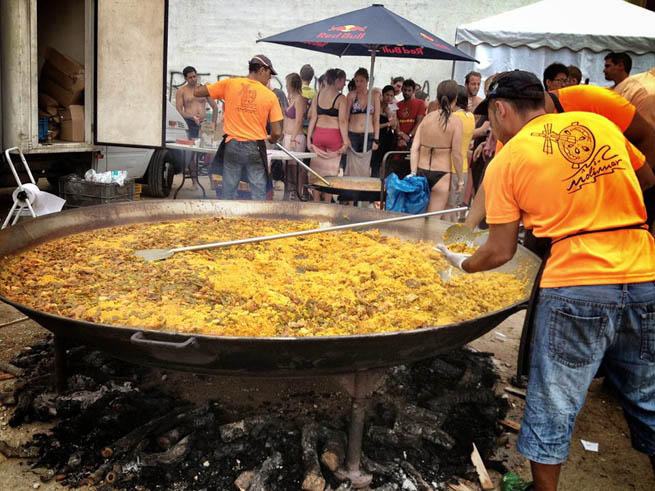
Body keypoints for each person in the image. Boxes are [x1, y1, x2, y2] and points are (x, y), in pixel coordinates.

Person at [439, 69, 655, 491]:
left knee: (553, 403)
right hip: (646, 273)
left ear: (500, 110)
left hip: (577, 284)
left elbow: (500, 250)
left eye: (492, 117)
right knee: (649, 400)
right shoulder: (597, 125)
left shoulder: (510, 158)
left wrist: (461, 263)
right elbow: (646, 180)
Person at [465, 82, 655, 233]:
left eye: (491, 116)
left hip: (620, 221)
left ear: (501, 110)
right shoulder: (511, 137)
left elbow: (647, 143)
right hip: (558, 225)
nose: (495, 131)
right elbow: (491, 183)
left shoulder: (593, 103)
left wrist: (612, 202)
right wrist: (467, 228)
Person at [194, 55, 282, 200]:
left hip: (232, 145)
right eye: (269, 73)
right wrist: (272, 139)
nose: (270, 78)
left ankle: (228, 217)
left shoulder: (231, 84)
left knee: (229, 189)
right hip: (255, 146)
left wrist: (208, 85)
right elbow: (277, 132)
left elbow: (197, 92)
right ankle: (256, 219)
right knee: (258, 191)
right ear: (261, 70)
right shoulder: (270, 95)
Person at [410, 80, 463, 212]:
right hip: (442, 173)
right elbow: (456, 154)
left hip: (421, 170)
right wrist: (460, 179)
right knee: (433, 220)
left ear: (437, 98)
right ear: (455, 98)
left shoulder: (428, 118)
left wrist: (413, 172)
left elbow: (414, 148)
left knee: (417, 216)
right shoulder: (456, 122)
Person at [307, 68, 348, 201]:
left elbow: (313, 117)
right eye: (343, 81)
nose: (344, 84)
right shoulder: (341, 98)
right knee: (330, 174)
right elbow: (342, 121)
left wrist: (309, 140)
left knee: (316, 172)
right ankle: (327, 204)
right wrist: (346, 141)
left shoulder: (317, 95)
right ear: (337, 80)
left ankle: (316, 202)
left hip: (318, 134)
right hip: (334, 135)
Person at [176, 66, 218, 189]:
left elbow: (215, 107)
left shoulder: (203, 89)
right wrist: (191, 116)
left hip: (205, 124)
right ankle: (194, 182)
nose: (193, 79)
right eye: (190, 77)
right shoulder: (182, 91)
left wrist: (213, 124)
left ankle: (212, 181)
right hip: (190, 123)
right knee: (191, 154)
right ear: (185, 78)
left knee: (209, 153)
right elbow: (179, 110)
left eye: (195, 76)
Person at [445, 85, 475, 220]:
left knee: (447, 208)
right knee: (453, 208)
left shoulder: (454, 117)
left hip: (451, 166)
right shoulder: (471, 116)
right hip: (463, 167)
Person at [345, 67, 380, 177]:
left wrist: (376, 139)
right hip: (353, 132)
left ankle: (363, 190)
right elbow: (346, 118)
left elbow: (376, 119)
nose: (359, 83)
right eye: (356, 81)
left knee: (365, 163)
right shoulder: (351, 95)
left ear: (367, 81)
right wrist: (345, 137)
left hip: (368, 133)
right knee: (352, 163)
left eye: (361, 81)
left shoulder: (374, 96)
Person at [283, 72, 308, 199]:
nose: (286, 86)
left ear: (292, 85)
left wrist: (292, 138)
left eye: (287, 84)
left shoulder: (300, 100)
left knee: (297, 166)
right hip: (287, 135)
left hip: (296, 136)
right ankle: (290, 190)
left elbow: (299, 120)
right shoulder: (290, 99)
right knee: (287, 166)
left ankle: (298, 191)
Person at [371, 85, 398, 177]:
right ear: (383, 94)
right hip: (378, 136)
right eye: (387, 95)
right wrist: (387, 124)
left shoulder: (393, 106)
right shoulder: (377, 104)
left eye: (391, 96)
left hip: (388, 136)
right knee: (376, 162)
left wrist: (391, 118)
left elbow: (395, 122)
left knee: (387, 161)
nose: (389, 98)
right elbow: (374, 125)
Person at [395, 79, 426, 152]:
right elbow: (395, 122)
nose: (406, 92)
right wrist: (400, 137)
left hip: (413, 141)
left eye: (409, 90)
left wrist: (409, 137)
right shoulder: (396, 105)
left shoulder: (420, 103)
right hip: (399, 141)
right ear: (402, 90)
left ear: (413, 91)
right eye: (405, 90)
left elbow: (419, 122)